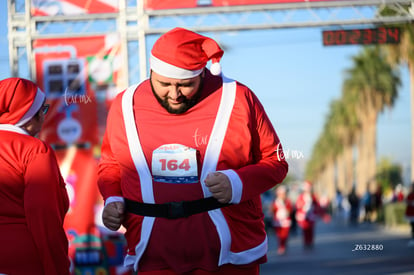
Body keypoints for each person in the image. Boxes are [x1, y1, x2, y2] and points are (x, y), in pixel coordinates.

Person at [97, 27, 289, 274]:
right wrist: (112, 198)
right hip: (154, 251)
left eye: (185, 85)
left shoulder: (238, 97)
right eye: (164, 84)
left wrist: (238, 183)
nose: (174, 95)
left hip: (228, 253)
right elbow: (111, 163)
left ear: (202, 74)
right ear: (151, 72)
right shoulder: (124, 105)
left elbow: (277, 160)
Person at [0, 77, 70, 274]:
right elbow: (43, 217)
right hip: (22, 261)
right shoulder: (34, 150)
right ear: (29, 114)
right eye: (43, 109)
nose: (44, 116)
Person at [295, 180, 322, 249]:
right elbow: (297, 205)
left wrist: (318, 213)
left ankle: (310, 242)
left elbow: (317, 205)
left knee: (311, 229)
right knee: (305, 230)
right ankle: (306, 242)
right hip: (304, 216)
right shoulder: (301, 196)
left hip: (311, 216)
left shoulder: (313, 196)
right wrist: (301, 206)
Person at [271, 185, 292, 255]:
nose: (282, 196)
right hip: (277, 222)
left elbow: (290, 210)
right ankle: (281, 246)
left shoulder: (288, 201)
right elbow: (272, 211)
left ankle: (283, 246)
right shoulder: (275, 202)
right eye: (281, 194)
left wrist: (287, 212)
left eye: (283, 194)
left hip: (286, 221)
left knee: (285, 235)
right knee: (279, 236)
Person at [405, 182, 414, 247]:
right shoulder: (409, 194)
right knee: (412, 226)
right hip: (410, 212)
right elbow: (407, 201)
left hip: (412, 212)